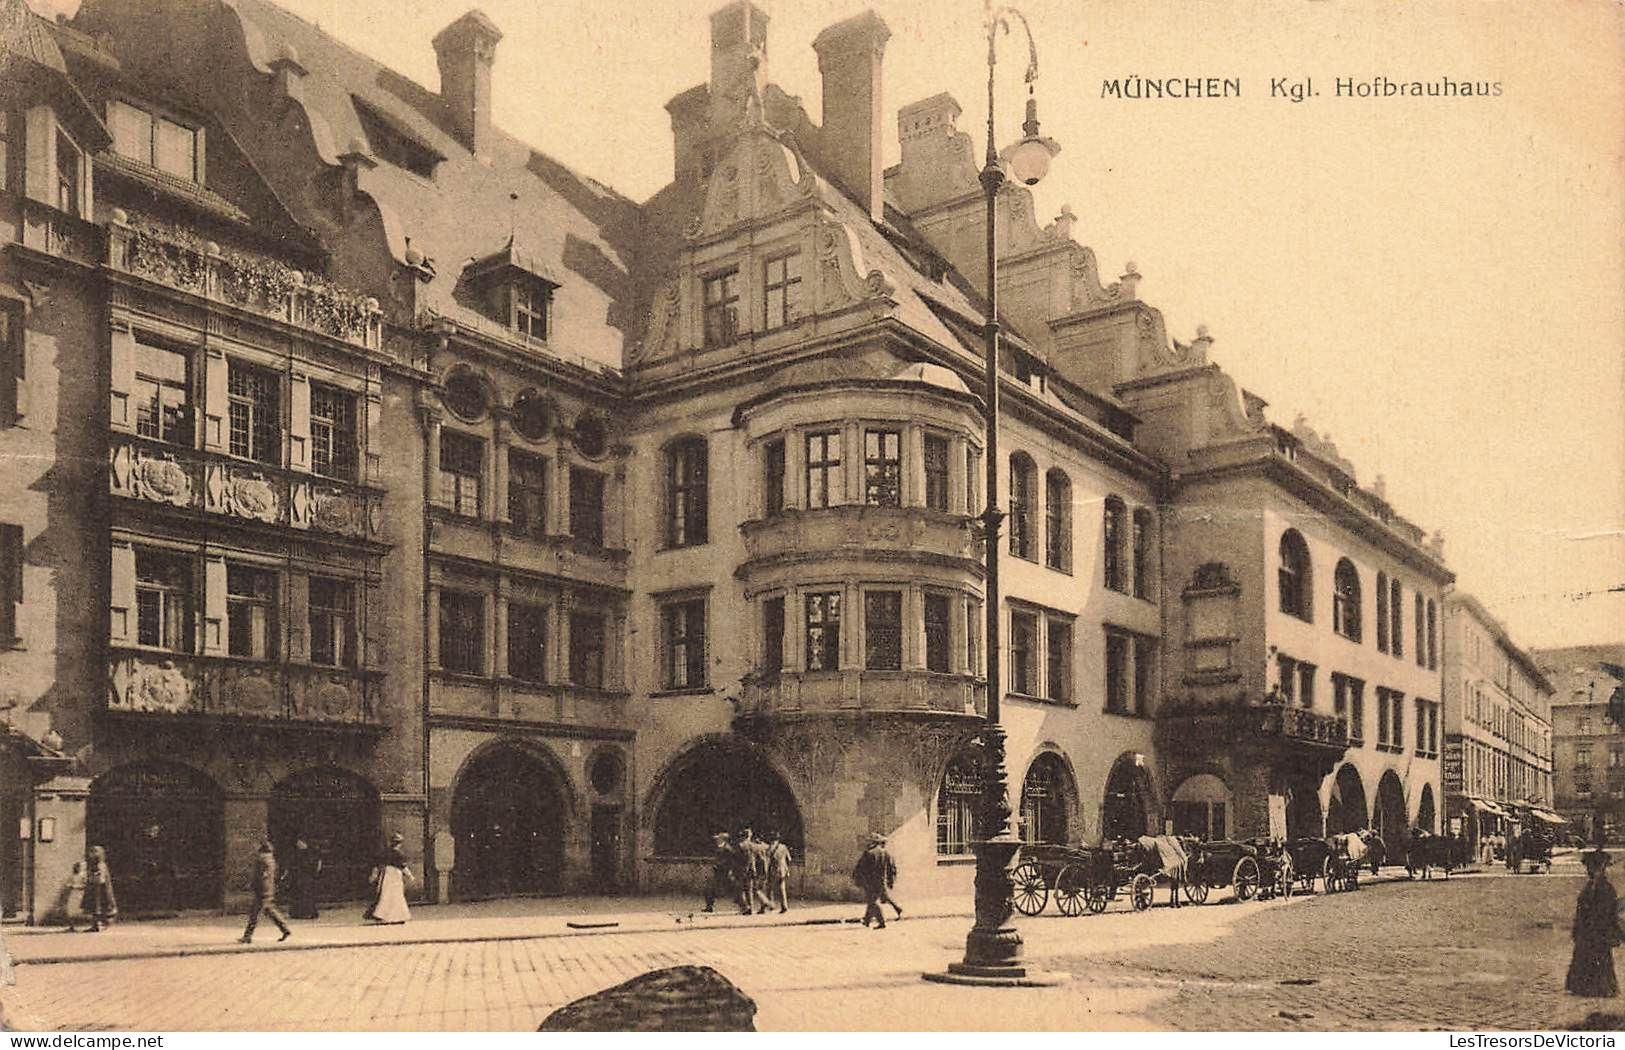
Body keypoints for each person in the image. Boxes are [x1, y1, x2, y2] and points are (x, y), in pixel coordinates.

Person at [1566, 848, 1621, 998]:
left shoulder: (1605, 888)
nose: (1589, 871)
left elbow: (1607, 912)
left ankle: (1599, 987)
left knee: (1599, 958)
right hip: (1588, 931)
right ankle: (1586, 986)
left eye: (1592, 868)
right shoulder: (1592, 886)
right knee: (1588, 957)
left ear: (1600, 868)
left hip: (1597, 931)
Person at [240, 839, 291, 944]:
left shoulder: (262, 859)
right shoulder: (270, 858)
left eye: (256, 845)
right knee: (269, 911)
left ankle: (247, 936)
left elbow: (262, 875)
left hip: (262, 890)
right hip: (267, 889)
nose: (254, 847)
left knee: (254, 914)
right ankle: (285, 929)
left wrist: (254, 885)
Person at [852, 832, 901, 929]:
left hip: (871, 882)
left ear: (873, 843)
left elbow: (861, 868)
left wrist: (858, 879)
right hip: (881, 881)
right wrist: (891, 880)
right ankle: (867, 920)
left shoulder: (869, 853)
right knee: (878, 899)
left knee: (872, 902)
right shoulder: (886, 853)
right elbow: (892, 868)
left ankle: (881, 922)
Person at [364, 832, 412, 925]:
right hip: (395, 876)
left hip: (386, 875)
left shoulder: (385, 853)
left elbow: (378, 865)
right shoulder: (399, 854)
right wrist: (410, 876)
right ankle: (397, 916)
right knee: (396, 895)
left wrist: (374, 875)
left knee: (386, 895)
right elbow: (403, 866)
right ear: (399, 843)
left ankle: (383, 915)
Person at [285, 837, 323, 920]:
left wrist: (314, 873)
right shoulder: (297, 853)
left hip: (307, 876)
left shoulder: (310, 853)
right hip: (299, 876)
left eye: (300, 843)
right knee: (299, 895)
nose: (298, 844)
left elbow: (315, 864)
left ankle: (308, 913)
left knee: (306, 895)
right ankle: (298, 913)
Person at [81, 846, 116, 933]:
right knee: (94, 906)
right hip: (94, 887)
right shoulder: (93, 864)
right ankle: (95, 924)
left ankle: (99, 924)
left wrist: (93, 876)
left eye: (94, 852)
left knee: (98, 906)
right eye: (91, 851)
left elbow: (101, 877)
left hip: (99, 888)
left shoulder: (100, 864)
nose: (91, 854)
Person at [702, 832, 734, 913]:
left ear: (723, 840)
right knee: (709, 889)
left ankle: (745, 906)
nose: (717, 840)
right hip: (718, 872)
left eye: (718, 839)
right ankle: (709, 906)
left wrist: (722, 865)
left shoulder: (727, 849)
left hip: (724, 872)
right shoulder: (720, 848)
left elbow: (730, 861)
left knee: (736, 891)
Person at [764, 829, 792, 914]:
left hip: (772, 870)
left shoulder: (769, 848)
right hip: (782, 870)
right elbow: (789, 859)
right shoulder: (783, 847)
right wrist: (786, 869)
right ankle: (784, 906)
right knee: (782, 889)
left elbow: (767, 859)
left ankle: (771, 906)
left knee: (769, 889)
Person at [60, 862, 87, 932]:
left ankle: (80, 925)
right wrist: (69, 886)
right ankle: (72, 926)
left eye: (78, 867)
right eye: (76, 867)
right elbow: (68, 884)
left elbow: (85, 885)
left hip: (79, 894)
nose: (77, 868)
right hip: (73, 894)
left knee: (77, 910)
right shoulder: (72, 876)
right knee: (70, 910)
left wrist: (76, 887)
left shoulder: (82, 876)